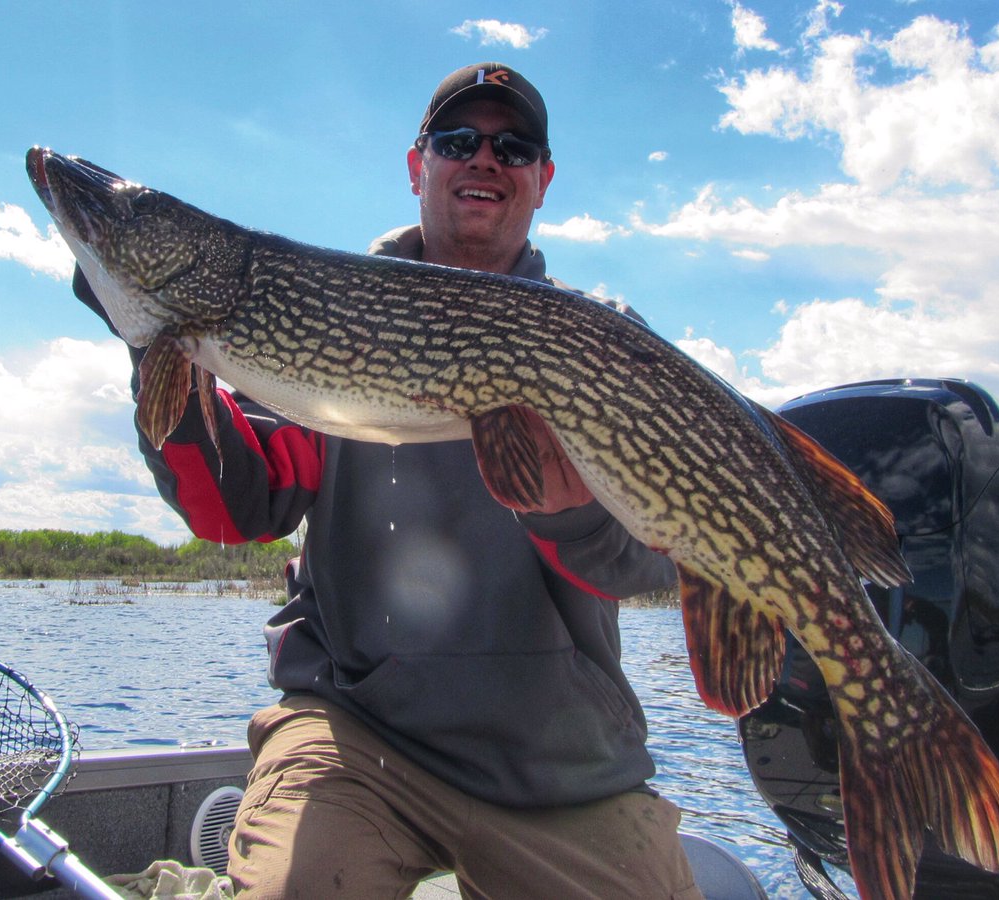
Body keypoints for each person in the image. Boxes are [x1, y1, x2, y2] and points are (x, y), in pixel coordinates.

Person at [77, 62, 699, 898]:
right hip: (355, 733)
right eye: (458, 140)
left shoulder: (599, 339)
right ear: (418, 165)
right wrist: (148, 339)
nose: (485, 159)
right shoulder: (323, 314)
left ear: (543, 179)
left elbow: (658, 554)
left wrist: (573, 513)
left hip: (561, 756)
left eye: (513, 148)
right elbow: (238, 504)